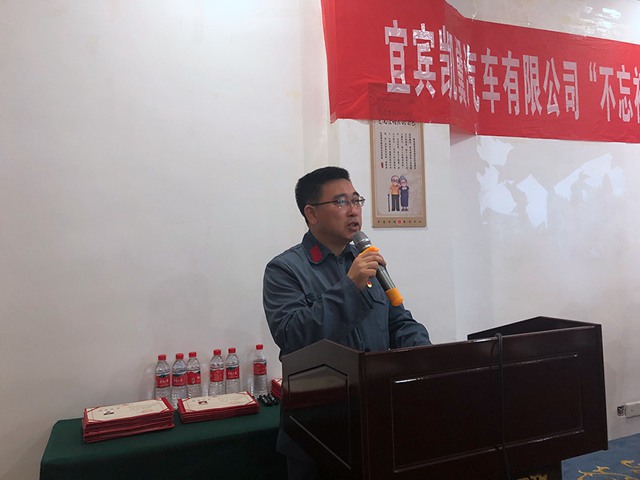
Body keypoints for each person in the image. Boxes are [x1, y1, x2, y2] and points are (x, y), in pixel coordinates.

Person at [262, 166, 431, 480]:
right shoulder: (285, 270)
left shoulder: (367, 260)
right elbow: (292, 335)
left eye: (356, 200)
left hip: (377, 416)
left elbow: (399, 323)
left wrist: (426, 356)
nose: (353, 210)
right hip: (319, 428)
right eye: (341, 202)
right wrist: (350, 287)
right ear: (312, 214)